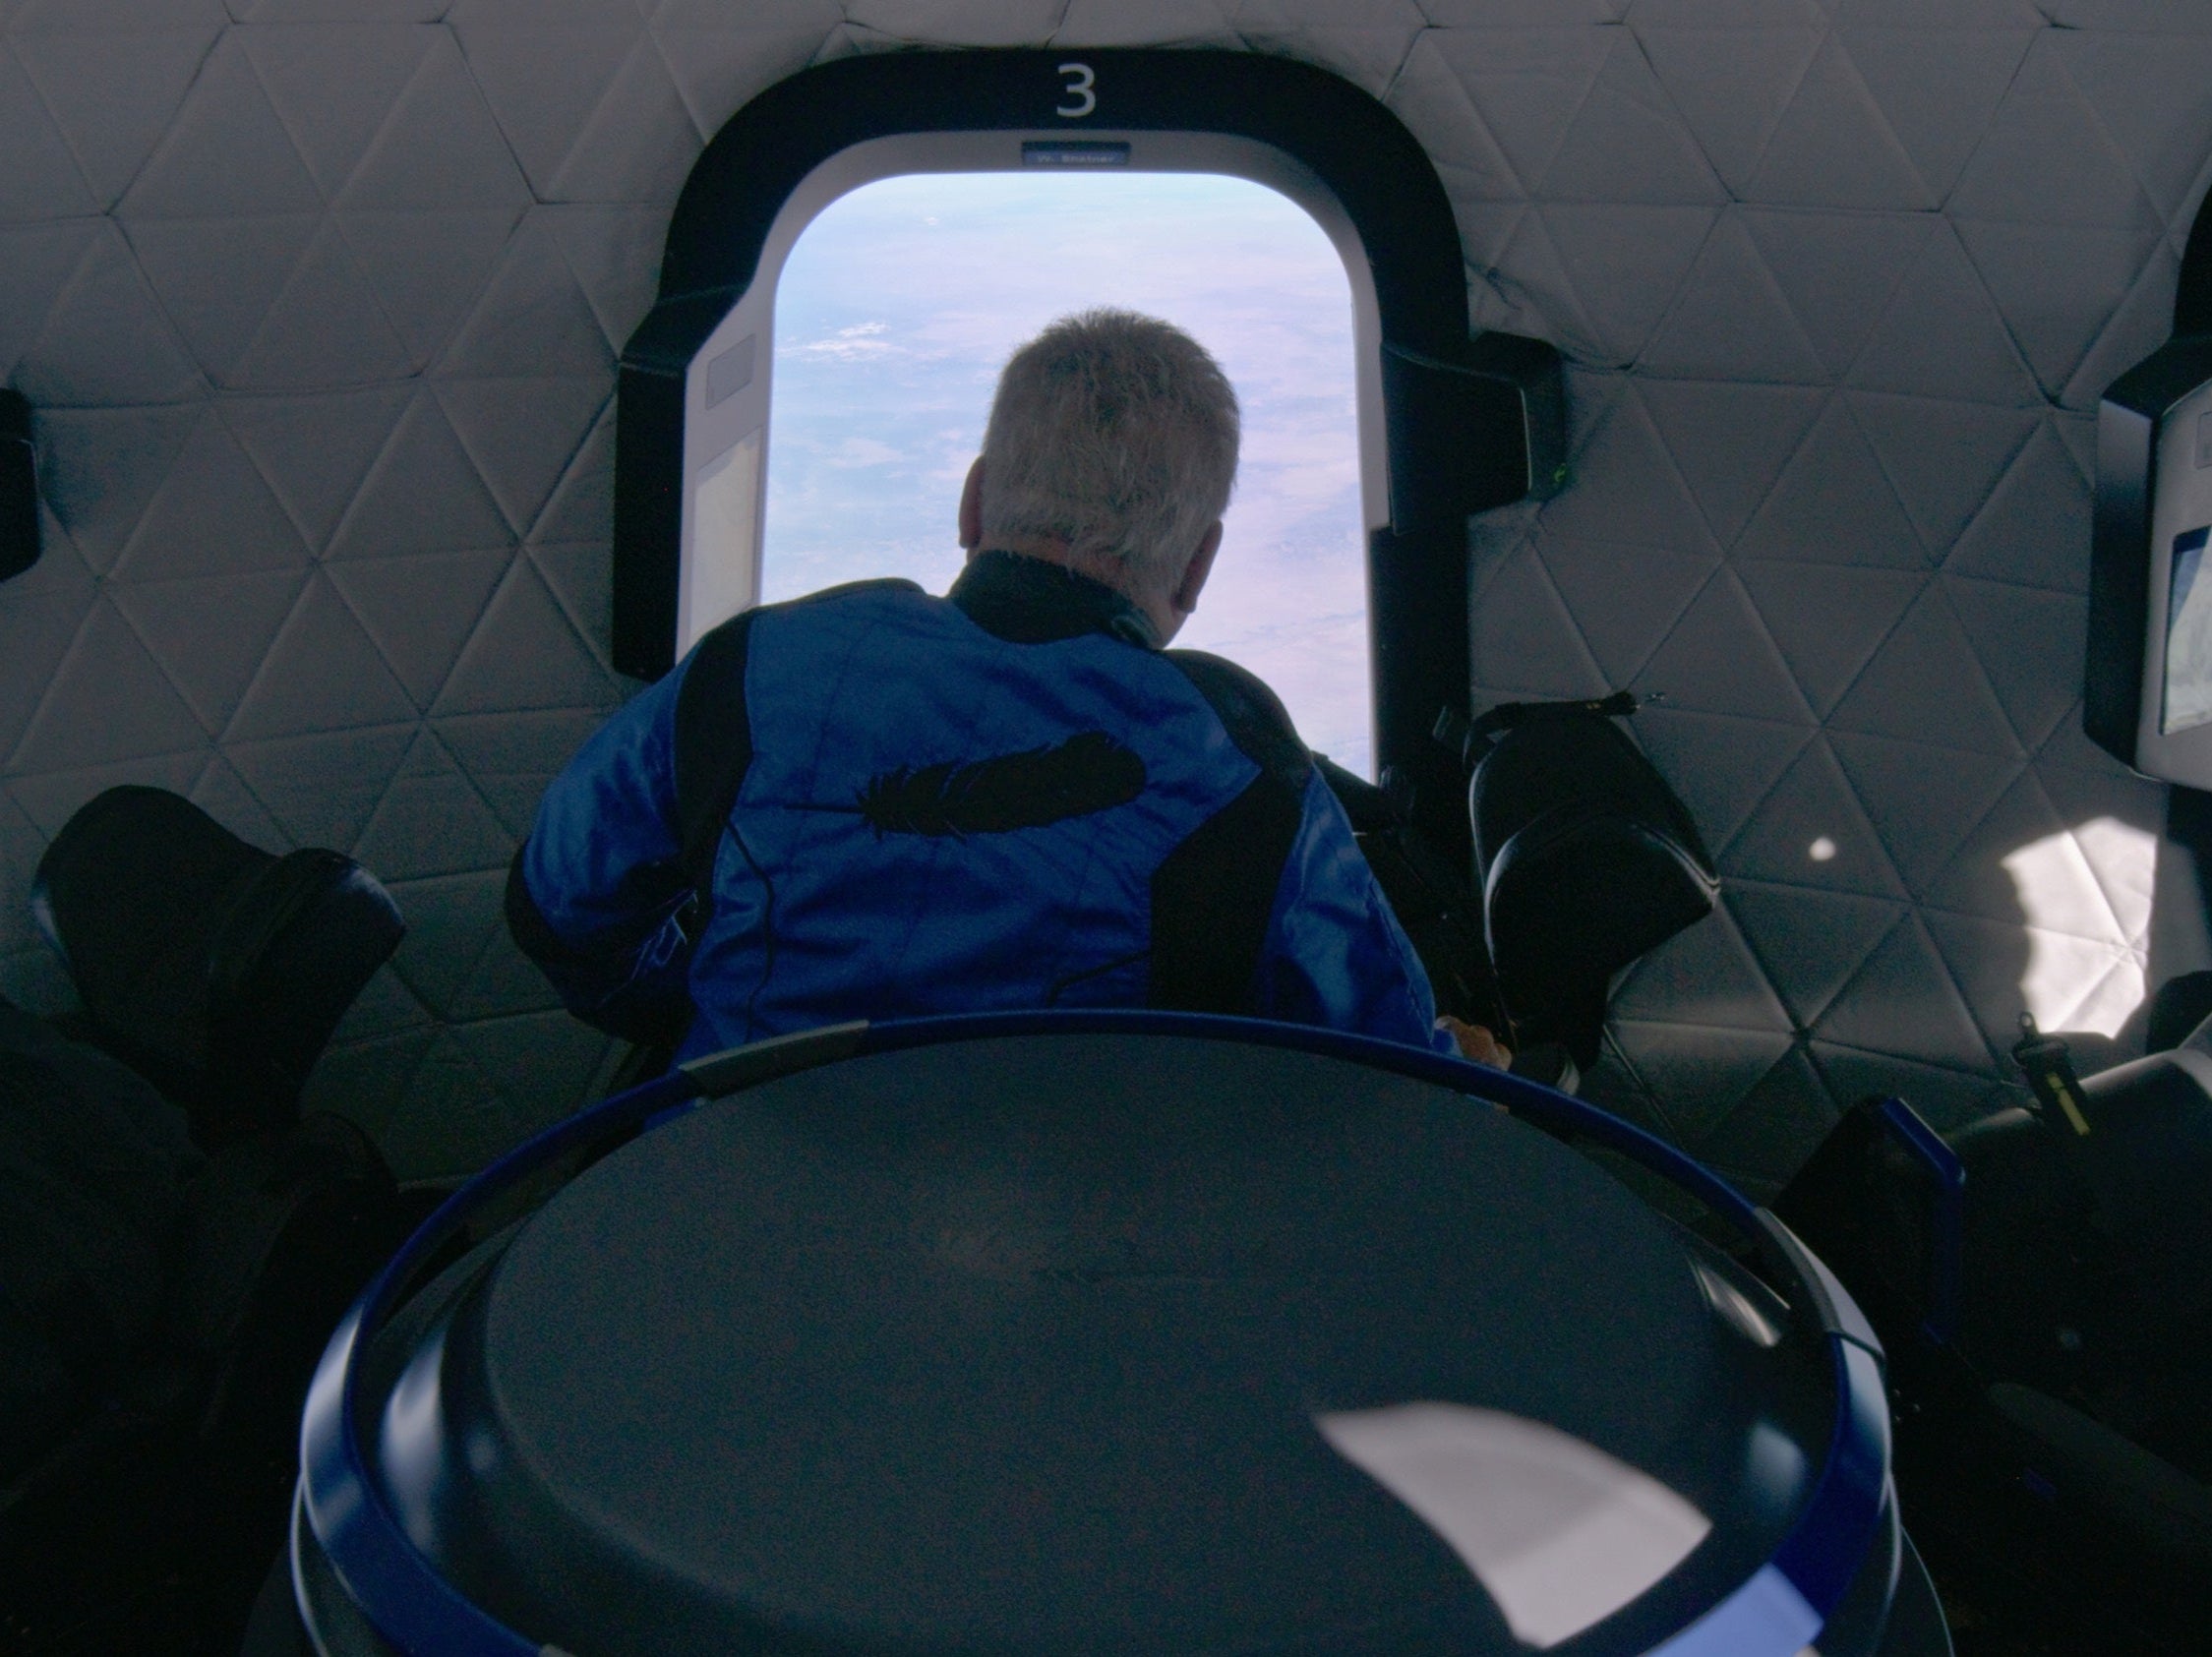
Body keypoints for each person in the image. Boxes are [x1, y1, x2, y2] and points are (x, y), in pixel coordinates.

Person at [507, 309, 1507, 1068]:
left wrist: (695, 1005)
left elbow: (556, 910)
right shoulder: (1238, 758)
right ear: (1197, 566)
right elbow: (1385, 1057)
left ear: (974, 498)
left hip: (723, 1230)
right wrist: (1467, 1055)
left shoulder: (747, 670)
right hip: (1089, 1271)